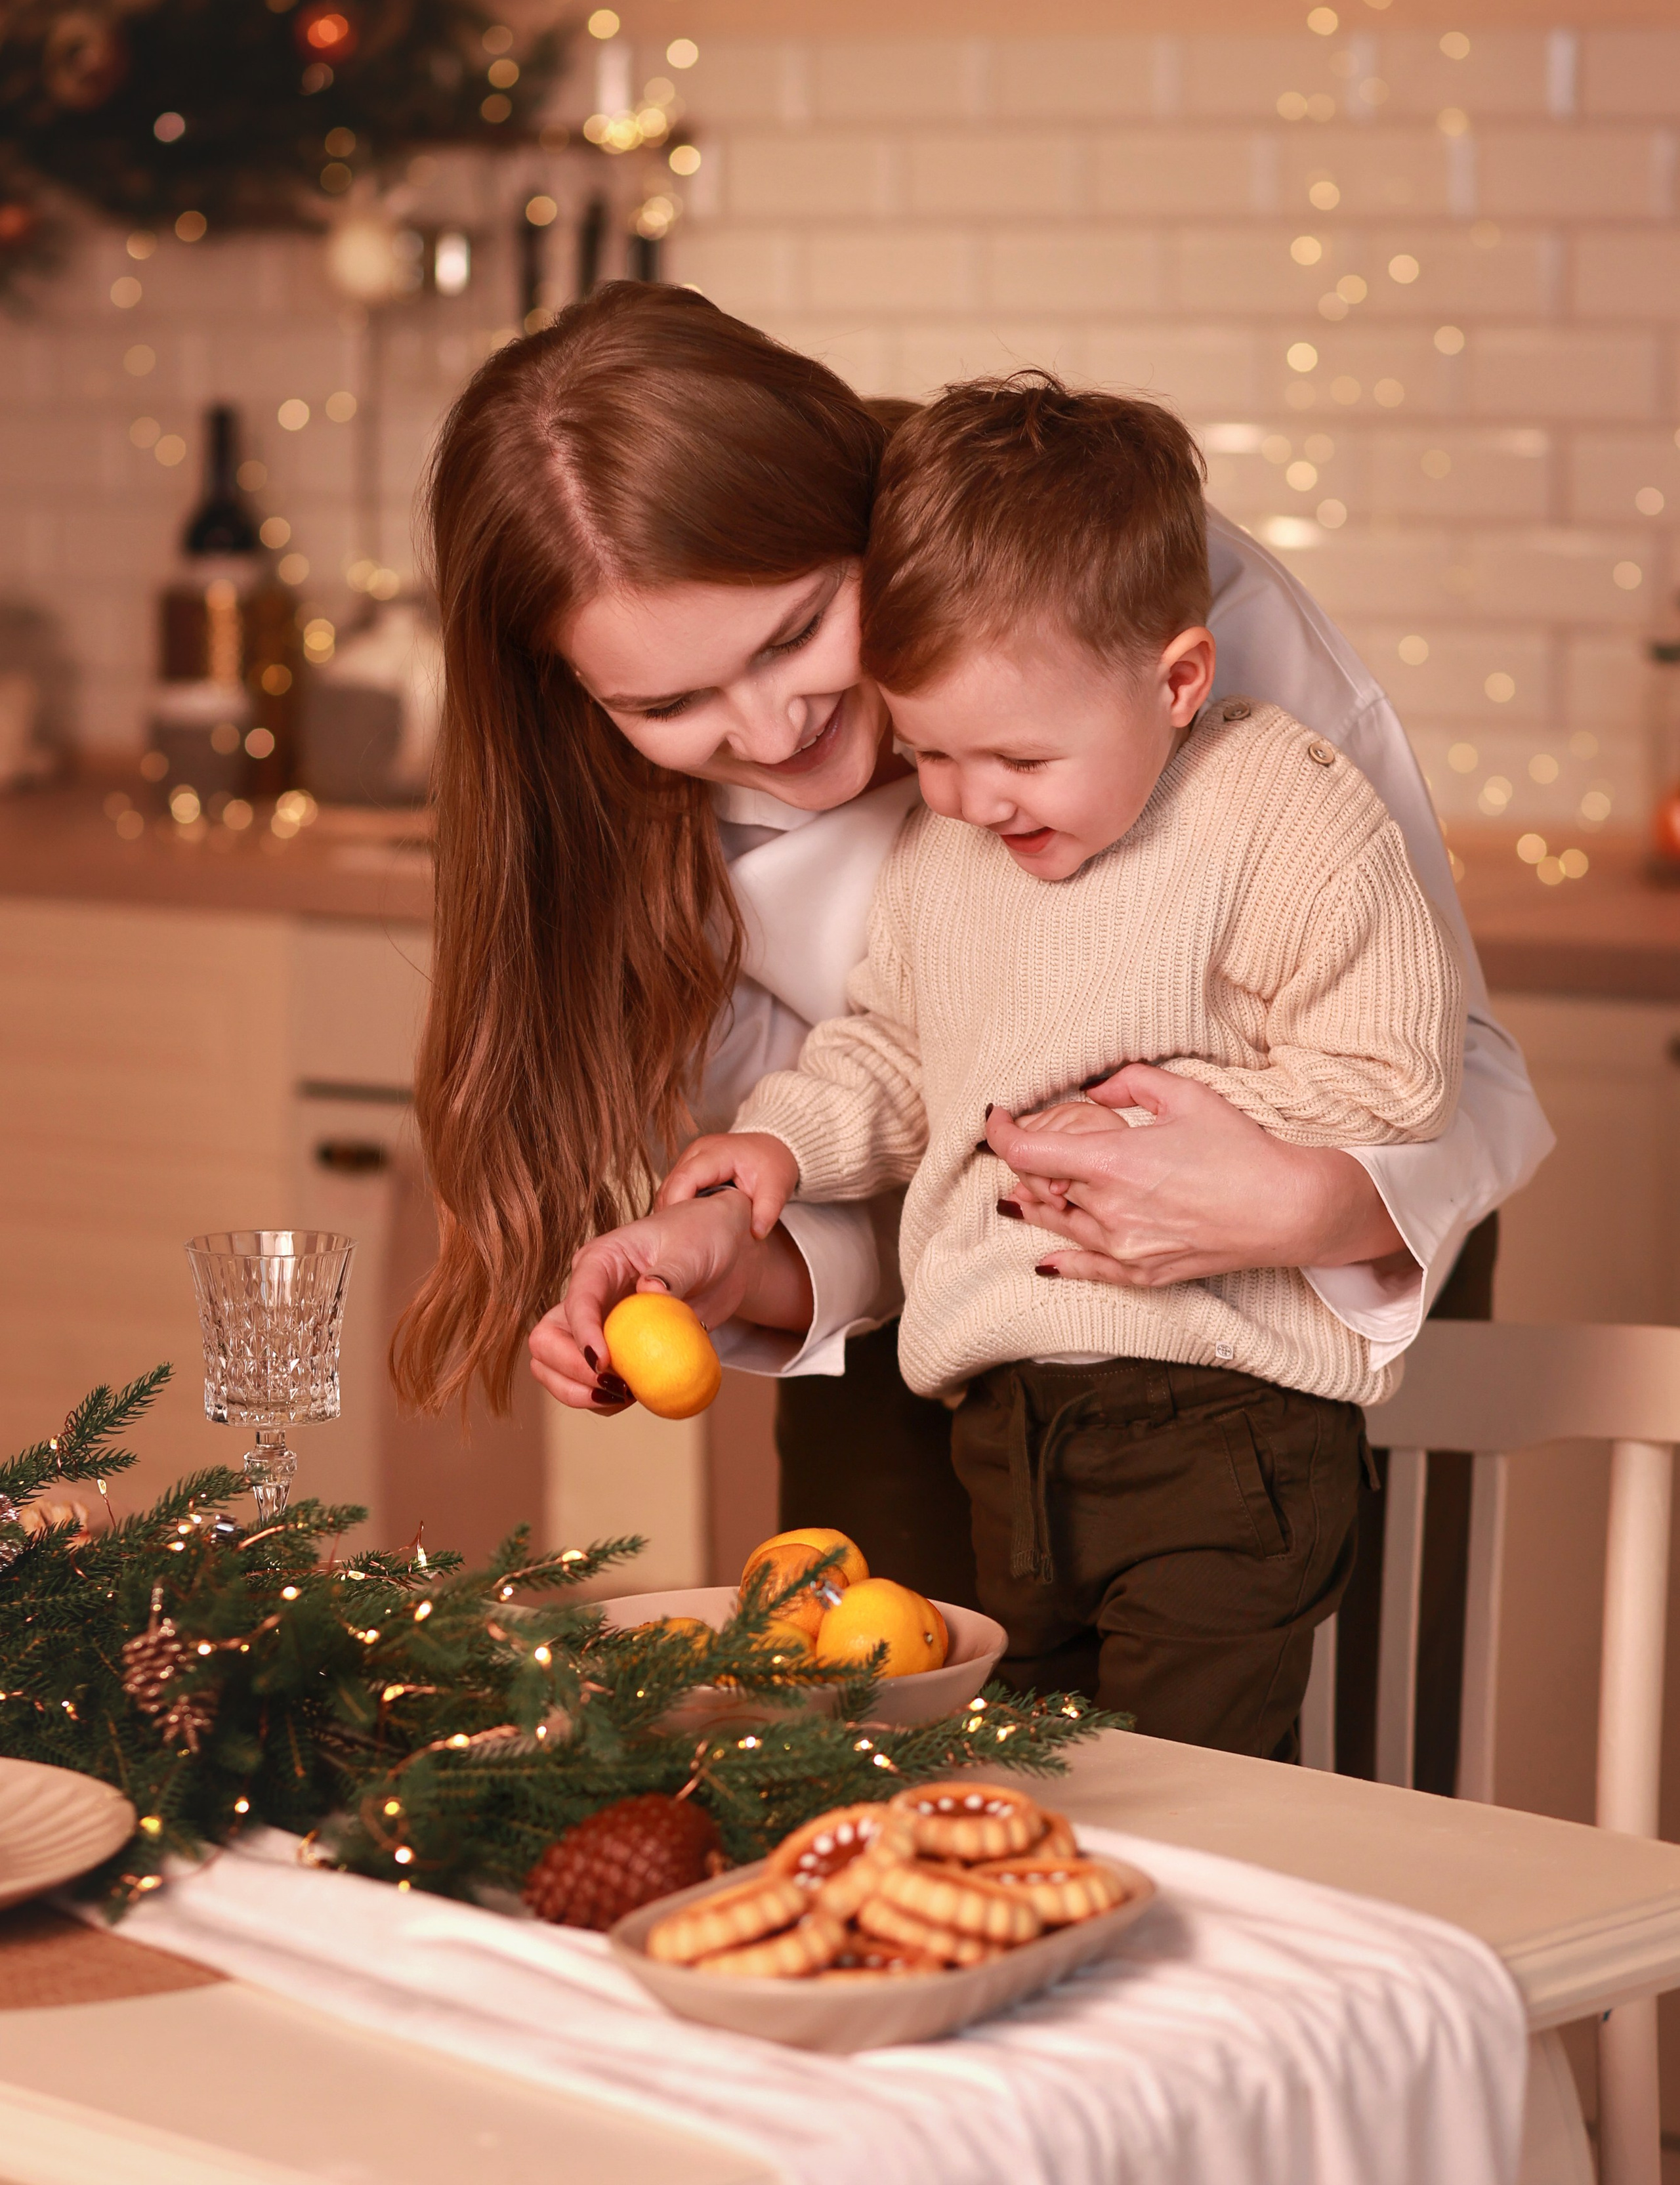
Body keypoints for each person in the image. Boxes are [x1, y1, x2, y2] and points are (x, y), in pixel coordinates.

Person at [394, 282, 1550, 1634]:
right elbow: (894, 1157)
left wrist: (1299, 1206)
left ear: (860, 514)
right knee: (873, 1737)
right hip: (957, 1330)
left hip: (1282, 1333)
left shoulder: (1128, 589)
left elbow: (1448, 1066)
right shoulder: (624, 825)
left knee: (1247, 1786)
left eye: (794, 631)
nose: (768, 731)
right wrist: (741, 1251)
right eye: (668, 702)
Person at [652, 376, 1465, 1754]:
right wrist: (784, 1145)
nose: (968, 799)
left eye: (1016, 756)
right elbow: (898, 1057)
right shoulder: (949, 847)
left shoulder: (1282, 813)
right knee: (1038, 1792)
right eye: (930, 753)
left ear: (1177, 680)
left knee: (1196, 1797)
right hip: (1007, 1434)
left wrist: (1195, 1135)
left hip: (1225, 1421)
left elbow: (1395, 1075)